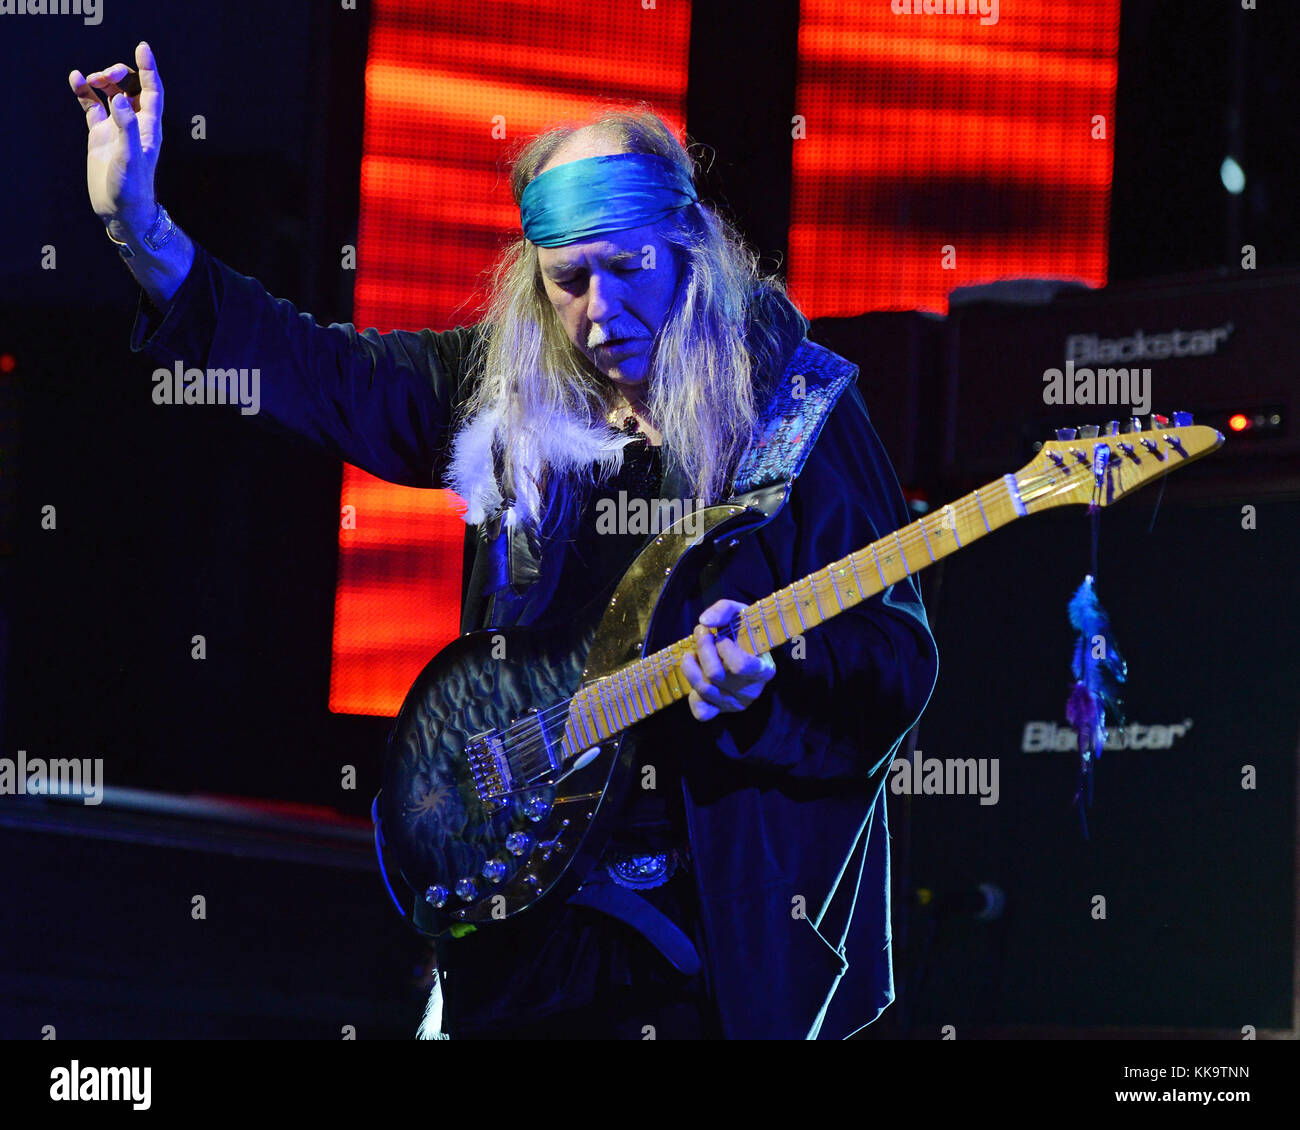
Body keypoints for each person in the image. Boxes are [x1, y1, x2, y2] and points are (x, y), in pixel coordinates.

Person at [70, 42, 939, 1040]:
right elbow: (310, 366)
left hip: (712, 939)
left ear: (687, 247)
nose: (601, 312)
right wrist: (136, 225)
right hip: (524, 930)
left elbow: (896, 660)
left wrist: (767, 677)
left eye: (627, 268)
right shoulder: (503, 393)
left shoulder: (797, 412)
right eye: (568, 281)